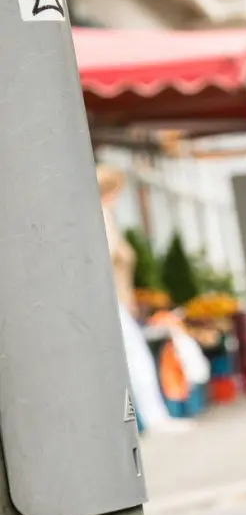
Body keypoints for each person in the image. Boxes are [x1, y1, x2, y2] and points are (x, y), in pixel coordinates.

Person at [98, 166, 175, 434]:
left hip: (116, 300)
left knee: (130, 357)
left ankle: (151, 418)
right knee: (137, 357)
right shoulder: (103, 216)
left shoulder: (104, 215)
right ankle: (154, 419)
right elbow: (104, 258)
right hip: (111, 302)